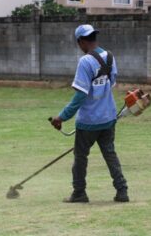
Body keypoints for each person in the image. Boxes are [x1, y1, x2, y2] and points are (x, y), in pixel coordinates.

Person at [50, 24, 129, 203]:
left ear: (81, 41)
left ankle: (79, 193)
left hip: (88, 122)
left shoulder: (85, 62)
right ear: (94, 37)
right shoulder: (109, 56)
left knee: (80, 157)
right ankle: (122, 190)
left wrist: (61, 117)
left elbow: (80, 96)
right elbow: (111, 84)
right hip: (109, 117)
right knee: (110, 154)